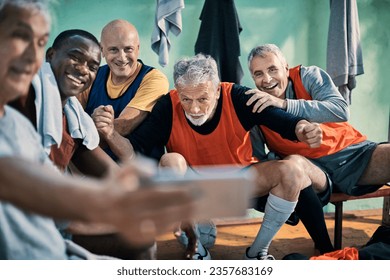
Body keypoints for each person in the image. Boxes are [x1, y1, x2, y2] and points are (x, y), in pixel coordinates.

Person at [0, 0, 196, 260]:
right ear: (51, 57)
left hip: (134, 164)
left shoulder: (74, 113)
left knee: (142, 233)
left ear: (138, 49)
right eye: (20, 37)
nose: (83, 70)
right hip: (47, 221)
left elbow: (119, 133)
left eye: (92, 65)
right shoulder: (34, 106)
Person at [92, 53, 330, 260]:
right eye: (186, 99)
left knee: (292, 170)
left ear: (217, 90)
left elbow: (277, 119)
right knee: (170, 161)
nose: (194, 108)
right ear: (178, 91)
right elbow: (134, 151)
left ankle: (257, 251)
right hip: (194, 187)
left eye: (202, 98)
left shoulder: (236, 95)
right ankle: (197, 248)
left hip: (243, 182)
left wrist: (301, 127)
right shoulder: (168, 105)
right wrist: (110, 133)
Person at [246, 43, 390, 236]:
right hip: (313, 175)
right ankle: (326, 252)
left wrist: (284, 104)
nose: (267, 79)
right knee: (292, 164)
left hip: (355, 155)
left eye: (273, 69)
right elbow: (258, 160)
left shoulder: (309, 75)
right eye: (259, 74)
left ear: (286, 68)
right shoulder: (253, 108)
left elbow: (340, 109)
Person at [77, 19, 169, 161]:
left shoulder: (154, 79)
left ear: (138, 48)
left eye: (128, 49)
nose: (122, 57)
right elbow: (72, 119)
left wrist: (91, 127)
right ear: (102, 50)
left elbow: (124, 125)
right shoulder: (92, 76)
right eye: (113, 49)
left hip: (140, 167)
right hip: (97, 167)